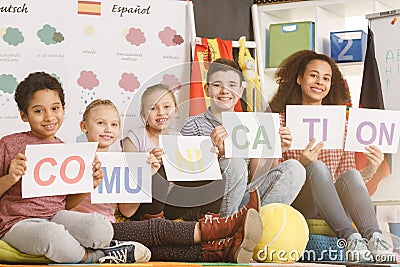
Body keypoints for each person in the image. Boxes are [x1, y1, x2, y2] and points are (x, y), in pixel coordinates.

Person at [74, 98, 264, 263]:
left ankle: (223, 251)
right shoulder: (74, 161)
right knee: (156, 229)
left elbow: (127, 209)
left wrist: (145, 177)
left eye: (114, 124)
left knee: (153, 250)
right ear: (84, 126)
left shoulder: (123, 161)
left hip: (113, 229)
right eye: (100, 123)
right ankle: (226, 228)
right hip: (86, 229)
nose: (108, 129)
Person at [268, 50, 396, 263]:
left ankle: (373, 237)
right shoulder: (281, 121)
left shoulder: (341, 122)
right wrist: (302, 165)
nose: (320, 82)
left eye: (326, 78)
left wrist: (372, 168)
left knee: (354, 174)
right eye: (313, 75)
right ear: (299, 79)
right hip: (301, 201)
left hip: (333, 204)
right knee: (317, 168)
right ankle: (350, 238)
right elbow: (274, 180)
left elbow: (346, 177)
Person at [0, 72, 134, 264]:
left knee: (101, 228)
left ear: (63, 109)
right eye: (38, 111)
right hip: (18, 222)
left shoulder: (66, 149)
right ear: (24, 115)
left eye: (55, 108)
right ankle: (99, 256)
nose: (49, 117)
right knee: (51, 234)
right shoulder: (8, 144)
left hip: (56, 216)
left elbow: (66, 204)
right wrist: (10, 178)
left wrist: (89, 183)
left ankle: (92, 249)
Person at [181, 58, 306, 218]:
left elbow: (256, 177)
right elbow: (186, 180)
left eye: (232, 85)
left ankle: (255, 226)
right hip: (210, 204)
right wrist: (217, 156)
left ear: (240, 91)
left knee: (295, 168)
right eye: (217, 85)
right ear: (207, 89)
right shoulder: (193, 125)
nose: (225, 91)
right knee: (234, 162)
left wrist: (275, 149)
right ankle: (225, 230)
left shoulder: (251, 124)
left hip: (243, 200)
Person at [121, 84, 178, 220]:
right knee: (159, 171)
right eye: (153, 108)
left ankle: (209, 225)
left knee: (213, 176)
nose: (161, 112)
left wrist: (208, 156)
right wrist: (148, 163)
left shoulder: (179, 139)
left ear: (176, 110)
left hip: (171, 204)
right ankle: (153, 223)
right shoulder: (135, 138)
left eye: (167, 107)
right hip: (143, 205)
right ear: (143, 114)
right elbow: (129, 176)